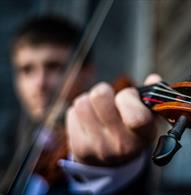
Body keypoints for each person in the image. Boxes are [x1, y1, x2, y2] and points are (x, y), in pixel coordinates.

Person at [6, 15, 161, 194]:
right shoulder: (15, 141)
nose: (40, 84)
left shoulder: (115, 137)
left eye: (54, 67)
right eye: (27, 70)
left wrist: (109, 170)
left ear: (87, 72)